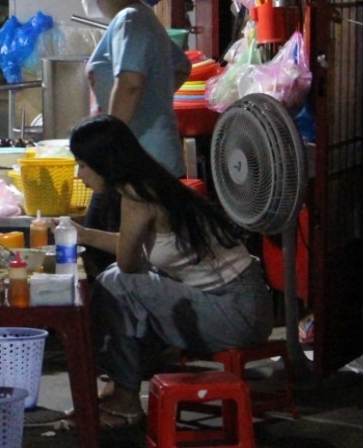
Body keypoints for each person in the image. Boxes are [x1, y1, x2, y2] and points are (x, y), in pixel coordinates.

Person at [66, 115, 273, 429]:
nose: (79, 174)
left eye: (82, 164)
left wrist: (85, 236)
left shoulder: (136, 196)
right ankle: (120, 388)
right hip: (240, 301)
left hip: (234, 310)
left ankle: (125, 399)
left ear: (103, 162)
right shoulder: (150, 181)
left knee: (117, 284)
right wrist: (81, 233)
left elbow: (128, 264)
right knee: (115, 283)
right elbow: (133, 250)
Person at [81, 0, 192, 272]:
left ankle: (115, 321)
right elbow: (181, 67)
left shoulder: (130, 19)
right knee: (128, 254)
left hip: (136, 162)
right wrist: (153, 104)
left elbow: (129, 83)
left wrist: (107, 145)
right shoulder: (142, 17)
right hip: (149, 157)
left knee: (106, 256)